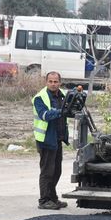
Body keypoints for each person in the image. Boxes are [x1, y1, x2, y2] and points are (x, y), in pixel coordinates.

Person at [32, 71, 69, 210]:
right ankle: (44, 200)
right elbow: (45, 115)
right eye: (50, 81)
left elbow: (68, 112)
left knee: (56, 171)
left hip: (58, 139)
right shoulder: (40, 98)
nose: (53, 84)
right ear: (46, 82)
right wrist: (61, 111)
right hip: (46, 140)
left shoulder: (63, 95)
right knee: (47, 172)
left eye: (56, 81)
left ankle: (53, 198)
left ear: (60, 82)